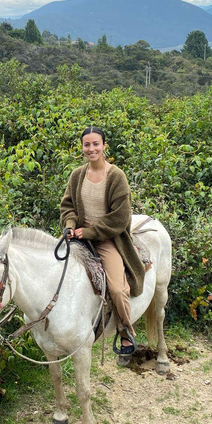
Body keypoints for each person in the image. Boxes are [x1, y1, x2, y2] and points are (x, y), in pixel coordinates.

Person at [60, 126, 146, 355]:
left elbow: (120, 218)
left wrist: (88, 232)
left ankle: (126, 330)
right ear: (82, 148)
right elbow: (68, 206)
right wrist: (70, 227)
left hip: (108, 239)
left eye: (96, 144)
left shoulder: (116, 176)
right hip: (78, 237)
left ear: (104, 146)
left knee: (117, 289)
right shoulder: (77, 175)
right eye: (87, 144)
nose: (91, 149)